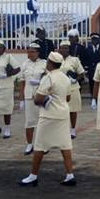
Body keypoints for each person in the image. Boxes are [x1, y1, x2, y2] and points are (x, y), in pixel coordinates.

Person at [19, 52, 77, 187]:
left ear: (50, 63)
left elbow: (38, 99)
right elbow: (67, 98)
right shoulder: (65, 77)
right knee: (65, 145)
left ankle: (33, 176)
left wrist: (46, 99)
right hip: (62, 114)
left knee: (39, 146)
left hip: (49, 115)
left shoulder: (48, 78)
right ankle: (70, 175)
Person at [18, 43, 47, 155]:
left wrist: (40, 82)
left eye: (32, 51)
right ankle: (29, 144)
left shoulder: (44, 64)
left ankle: (43, 144)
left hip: (41, 96)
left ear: (38, 52)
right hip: (29, 96)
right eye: (28, 51)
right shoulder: (25, 64)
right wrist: (21, 99)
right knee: (29, 122)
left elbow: (48, 79)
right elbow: (22, 82)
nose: (30, 54)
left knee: (42, 122)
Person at [60, 40, 87, 139]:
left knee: (73, 110)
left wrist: (75, 79)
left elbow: (81, 73)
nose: (64, 50)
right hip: (60, 89)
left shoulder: (74, 60)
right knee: (61, 110)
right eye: (62, 48)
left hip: (72, 88)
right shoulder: (56, 59)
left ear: (69, 49)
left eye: (66, 48)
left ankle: (73, 129)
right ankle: (63, 129)